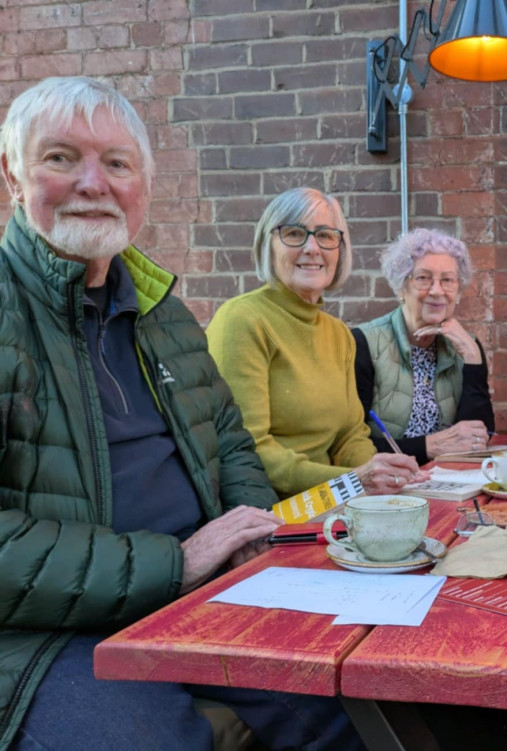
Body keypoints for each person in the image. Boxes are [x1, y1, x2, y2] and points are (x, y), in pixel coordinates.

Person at [0, 77, 359, 750]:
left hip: (201, 594)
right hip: (46, 634)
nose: (92, 183)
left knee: (363, 694)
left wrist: (250, 533)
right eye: (59, 157)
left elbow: (229, 439)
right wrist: (178, 562)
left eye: (116, 162)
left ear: (144, 186)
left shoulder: (162, 312)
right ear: (12, 175)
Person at [206, 187, 427, 499]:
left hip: (332, 502)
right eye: (295, 233)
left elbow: (349, 437)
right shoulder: (242, 320)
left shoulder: (339, 334)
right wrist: (352, 482)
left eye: (325, 235)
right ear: (267, 245)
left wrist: (387, 474)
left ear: (340, 249)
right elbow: (246, 450)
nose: (312, 248)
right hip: (271, 511)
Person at [352, 228, 494, 465]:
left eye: (447, 280)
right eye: (423, 278)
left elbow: (478, 438)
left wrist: (472, 356)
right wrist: (429, 446)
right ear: (401, 288)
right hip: (385, 485)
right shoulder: (364, 343)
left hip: (447, 481)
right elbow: (349, 444)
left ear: (458, 292)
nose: (437, 291)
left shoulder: (466, 345)